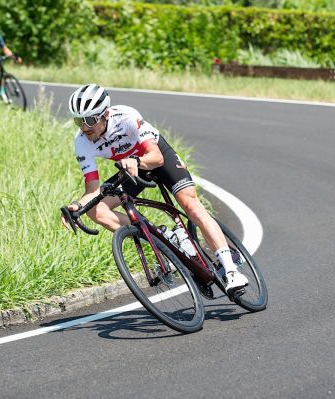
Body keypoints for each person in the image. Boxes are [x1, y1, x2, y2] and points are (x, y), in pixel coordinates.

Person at [61, 84, 249, 294]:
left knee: (191, 206)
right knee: (97, 211)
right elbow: (93, 190)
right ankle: (163, 237)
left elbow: (156, 157)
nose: (85, 127)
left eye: (89, 120)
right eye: (79, 121)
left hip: (155, 158)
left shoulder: (126, 117)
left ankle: (230, 269)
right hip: (130, 167)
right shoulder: (81, 142)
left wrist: (136, 160)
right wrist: (76, 206)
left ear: (105, 114)